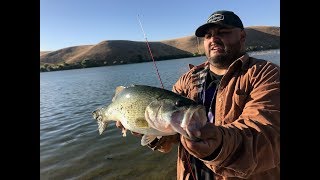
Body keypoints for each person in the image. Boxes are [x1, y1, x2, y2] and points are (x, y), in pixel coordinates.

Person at [116, 10, 280, 180]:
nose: (213, 39)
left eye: (223, 32)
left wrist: (219, 145)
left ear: (242, 36)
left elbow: (268, 134)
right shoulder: (188, 79)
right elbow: (171, 135)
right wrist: (146, 129)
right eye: (208, 35)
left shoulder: (265, 74)